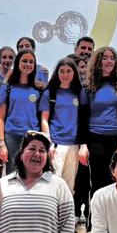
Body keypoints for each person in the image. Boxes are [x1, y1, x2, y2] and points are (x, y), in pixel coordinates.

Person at [82, 46, 117, 201]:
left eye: (112, 58)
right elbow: (82, 116)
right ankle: (94, 223)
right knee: (97, 182)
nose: (109, 61)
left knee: (116, 181)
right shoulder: (89, 86)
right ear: (98, 61)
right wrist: (83, 144)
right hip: (95, 138)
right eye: (104, 58)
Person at [42, 56, 85, 194]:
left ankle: (66, 215)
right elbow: (44, 119)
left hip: (73, 145)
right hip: (56, 144)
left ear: (74, 73)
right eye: (62, 71)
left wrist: (83, 145)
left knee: (69, 187)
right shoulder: (50, 93)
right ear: (57, 73)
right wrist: (48, 142)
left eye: (68, 71)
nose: (65, 74)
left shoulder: (80, 93)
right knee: (52, 184)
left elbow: (84, 120)